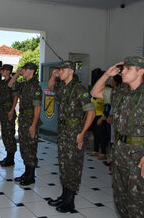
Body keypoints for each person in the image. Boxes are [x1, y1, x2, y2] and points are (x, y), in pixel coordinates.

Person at [90, 56, 144, 218]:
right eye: (123, 69)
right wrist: (107, 74)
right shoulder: (121, 92)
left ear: (140, 71)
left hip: (139, 157)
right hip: (120, 154)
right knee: (120, 202)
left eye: (128, 69)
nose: (123, 72)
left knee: (136, 205)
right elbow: (95, 92)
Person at [47, 61, 95, 213]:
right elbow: (50, 87)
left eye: (61, 70)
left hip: (74, 131)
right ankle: (64, 195)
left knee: (73, 166)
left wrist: (82, 134)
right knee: (64, 165)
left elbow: (91, 112)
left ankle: (70, 201)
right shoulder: (62, 87)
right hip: (63, 130)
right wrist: (53, 76)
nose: (59, 72)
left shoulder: (79, 89)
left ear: (70, 71)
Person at [8, 62, 42, 185]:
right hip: (23, 119)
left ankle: (31, 176)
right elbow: (10, 84)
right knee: (24, 147)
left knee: (30, 148)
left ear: (31, 71)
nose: (23, 70)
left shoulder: (35, 86)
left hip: (30, 119)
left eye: (25, 69)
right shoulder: (24, 84)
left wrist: (33, 125)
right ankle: (26, 173)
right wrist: (17, 73)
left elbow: (37, 108)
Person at [0, 64, 18, 166]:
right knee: (5, 134)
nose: (1, 72)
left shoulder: (13, 82)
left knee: (10, 134)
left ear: (8, 71)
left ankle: (11, 158)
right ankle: (8, 156)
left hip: (9, 109)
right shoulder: (1, 82)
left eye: (3, 70)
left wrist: (12, 110)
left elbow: (16, 97)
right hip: (2, 110)